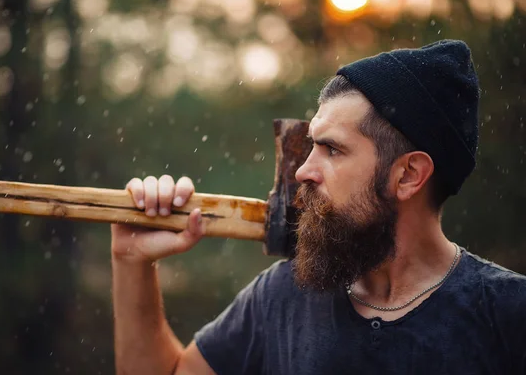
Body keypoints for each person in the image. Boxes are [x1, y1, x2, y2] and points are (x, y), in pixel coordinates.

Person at [110, 40, 526, 374]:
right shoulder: (284, 293)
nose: (304, 171)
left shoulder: (509, 315)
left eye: (332, 149)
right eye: (310, 145)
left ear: (408, 175)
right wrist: (131, 262)